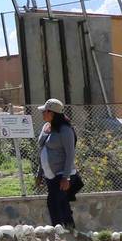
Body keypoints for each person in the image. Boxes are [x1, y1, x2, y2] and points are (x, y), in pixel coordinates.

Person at [38, 97, 79, 228]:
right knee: (61, 203)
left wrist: (65, 177)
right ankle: (69, 229)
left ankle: (59, 230)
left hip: (63, 174)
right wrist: (40, 172)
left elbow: (70, 154)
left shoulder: (65, 130)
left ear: (52, 113)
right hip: (50, 175)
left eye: (45, 111)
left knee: (54, 202)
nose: (42, 113)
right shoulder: (46, 127)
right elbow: (43, 149)